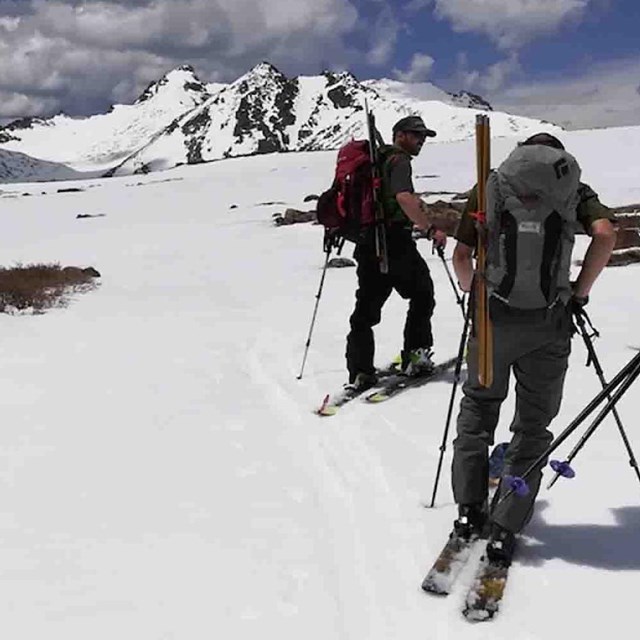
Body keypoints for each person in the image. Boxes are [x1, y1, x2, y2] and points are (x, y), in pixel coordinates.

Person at [450, 132, 616, 565]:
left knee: (478, 409)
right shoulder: (571, 187)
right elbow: (604, 235)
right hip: (549, 323)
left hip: (493, 324)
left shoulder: (490, 183)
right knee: (533, 425)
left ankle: (469, 512)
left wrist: (477, 298)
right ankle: (506, 525)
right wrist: (578, 292)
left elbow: (462, 257)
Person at [345, 115, 447, 389]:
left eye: (423, 136)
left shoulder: (374, 161)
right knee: (422, 294)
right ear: (399, 135)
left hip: (368, 244)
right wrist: (429, 229)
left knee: (365, 310)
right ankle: (416, 356)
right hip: (396, 243)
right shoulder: (398, 160)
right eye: (416, 135)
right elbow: (403, 197)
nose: (421, 140)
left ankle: (360, 370)